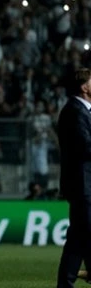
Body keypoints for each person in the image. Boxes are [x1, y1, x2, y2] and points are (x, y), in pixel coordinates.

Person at [56, 67, 91, 287]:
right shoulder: (74, 111)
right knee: (82, 236)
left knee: (81, 237)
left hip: (85, 184)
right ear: (84, 86)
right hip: (82, 185)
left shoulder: (82, 111)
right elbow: (85, 146)